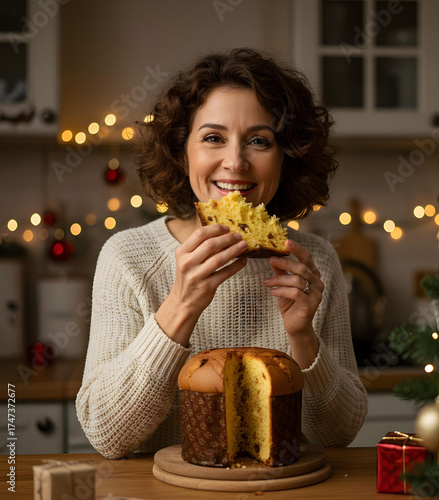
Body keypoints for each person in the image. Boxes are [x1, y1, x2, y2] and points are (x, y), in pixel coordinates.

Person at [76, 48, 368, 459]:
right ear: (182, 153)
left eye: (259, 141)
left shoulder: (313, 261)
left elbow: (338, 435)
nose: (235, 162)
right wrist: (180, 306)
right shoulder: (127, 257)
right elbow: (107, 435)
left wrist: (303, 337)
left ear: (288, 158)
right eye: (213, 138)